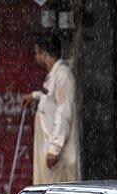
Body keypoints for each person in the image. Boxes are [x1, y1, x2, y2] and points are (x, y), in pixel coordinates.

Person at [22, 34, 80, 185]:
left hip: (58, 157)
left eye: (37, 53)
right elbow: (51, 99)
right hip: (49, 150)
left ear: (44, 54)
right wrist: (35, 96)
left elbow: (64, 113)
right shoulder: (54, 76)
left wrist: (54, 149)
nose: (36, 58)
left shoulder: (63, 76)